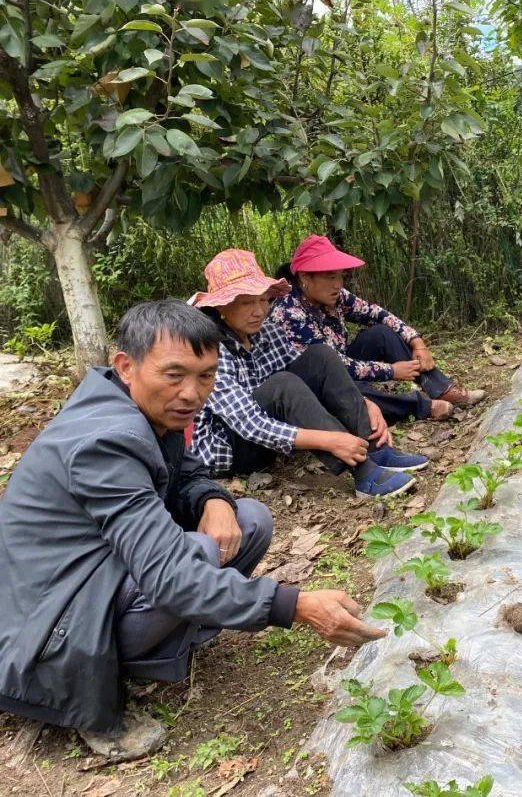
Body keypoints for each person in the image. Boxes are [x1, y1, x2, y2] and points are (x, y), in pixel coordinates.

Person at [0, 300, 385, 759]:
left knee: (248, 519)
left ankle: (168, 638)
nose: (192, 393)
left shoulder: (136, 406)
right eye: (174, 374)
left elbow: (184, 472)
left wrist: (214, 499)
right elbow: (169, 574)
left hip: (91, 573)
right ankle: (94, 697)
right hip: (46, 633)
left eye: (206, 376)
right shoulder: (105, 441)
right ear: (126, 366)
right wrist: (295, 605)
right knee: (197, 554)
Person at [189, 249, 427, 498]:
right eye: (247, 302)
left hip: (269, 431)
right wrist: (330, 440)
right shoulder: (210, 351)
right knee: (283, 385)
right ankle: (364, 473)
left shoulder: (267, 331)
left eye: (262, 300)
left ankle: (374, 447)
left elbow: (312, 377)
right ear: (221, 308)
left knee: (320, 356)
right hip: (234, 446)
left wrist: (366, 404)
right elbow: (251, 424)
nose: (259, 311)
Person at [269, 234, 484, 424]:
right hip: (311, 389)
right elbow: (334, 367)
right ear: (305, 277)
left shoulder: (335, 297)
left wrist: (417, 341)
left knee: (381, 333)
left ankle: (441, 389)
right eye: (330, 277)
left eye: (340, 276)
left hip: (340, 369)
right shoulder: (289, 313)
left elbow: (375, 313)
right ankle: (421, 407)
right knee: (351, 391)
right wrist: (391, 371)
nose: (337, 284)